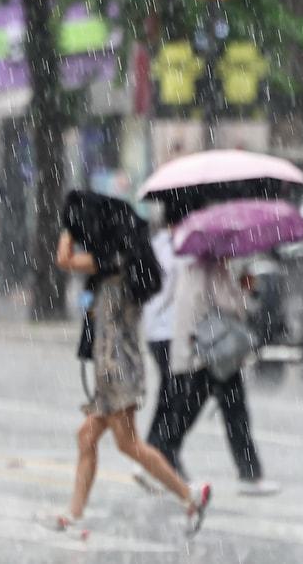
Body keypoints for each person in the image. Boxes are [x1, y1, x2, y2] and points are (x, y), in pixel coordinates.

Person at [43, 192, 209, 537]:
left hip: (117, 367)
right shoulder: (122, 261)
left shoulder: (112, 262)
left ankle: (190, 495)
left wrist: (68, 226)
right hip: (114, 365)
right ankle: (73, 515)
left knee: (128, 444)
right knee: (86, 436)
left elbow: (62, 258)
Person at [164, 254, 280, 496]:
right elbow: (229, 304)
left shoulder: (198, 265)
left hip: (206, 349)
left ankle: (163, 455)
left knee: (200, 408)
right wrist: (246, 289)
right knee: (231, 412)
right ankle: (249, 473)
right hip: (214, 350)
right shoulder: (213, 266)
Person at [142, 218, 185, 477]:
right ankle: (155, 452)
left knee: (172, 390)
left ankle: (156, 451)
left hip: (162, 329)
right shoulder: (170, 248)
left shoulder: (158, 245)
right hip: (165, 330)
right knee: (174, 390)